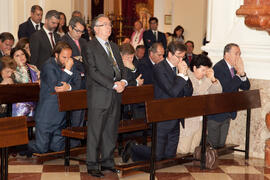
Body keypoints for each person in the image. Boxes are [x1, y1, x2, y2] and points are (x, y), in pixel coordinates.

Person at [122, 41, 193, 162]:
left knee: (170, 155)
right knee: (158, 155)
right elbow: (172, 92)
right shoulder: (160, 68)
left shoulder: (180, 68)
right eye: (179, 56)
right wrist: (181, 74)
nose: (181, 60)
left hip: (176, 114)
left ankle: (137, 152)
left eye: (183, 57)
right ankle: (133, 147)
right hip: (162, 115)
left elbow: (189, 91)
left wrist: (185, 74)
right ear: (169, 54)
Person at [82, 14, 127, 178]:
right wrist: (113, 84)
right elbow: (92, 72)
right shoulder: (89, 46)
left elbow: (121, 68)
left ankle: (108, 162)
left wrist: (123, 81)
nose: (109, 27)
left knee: (110, 131)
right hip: (99, 95)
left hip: (115, 95)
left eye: (109, 24)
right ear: (96, 29)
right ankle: (92, 164)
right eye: (105, 24)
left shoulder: (114, 46)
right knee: (95, 131)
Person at [28, 41, 81, 154]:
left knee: (57, 148)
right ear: (56, 55)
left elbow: (79, 84)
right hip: (46, 117)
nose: (67, 60)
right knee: (42, 149)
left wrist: (69, 87)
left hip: (61, 116)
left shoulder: (72, 65)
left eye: (69, 57)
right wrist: (67, 70)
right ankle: (20, 145)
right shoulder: (48, 66)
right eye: (64, 57)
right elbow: (57, 87)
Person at [207, 43, 250, 149]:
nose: (239, 57)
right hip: (217, 113)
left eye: (240, 54)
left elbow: (246, 86)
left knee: (221, 144)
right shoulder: (219, 68)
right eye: (236, 54)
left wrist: (242, 73)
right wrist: (238, 75)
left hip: (228, 112)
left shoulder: (235, 68)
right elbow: (225, 89)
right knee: (213, 145)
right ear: (227, 55)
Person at [177, 54, 222, 154]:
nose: (205, 73)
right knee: (183, 150)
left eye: (207, 70)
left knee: (194, 149)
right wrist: (208, 79)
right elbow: (197, 93)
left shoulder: (204, 80)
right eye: (203, 70)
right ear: (194, 68)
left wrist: (213, 79)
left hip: (199, 119)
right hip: (188, 119)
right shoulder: (188, 76)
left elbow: (218, 91)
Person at [61, 16, 87, 147]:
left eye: (82, 31)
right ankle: (72, 144)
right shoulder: (63, 40)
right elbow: (65, 60)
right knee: (74, 113)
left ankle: (77, 142)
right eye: (77, 31)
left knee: (81, 112)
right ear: (70, 28)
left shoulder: (83, 41)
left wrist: (82, 59)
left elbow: (87, 58)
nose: (80, 34)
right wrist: (78, 60)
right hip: (72, 80)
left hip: (84, 80)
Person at [10, 47, 40, 117]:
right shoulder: (12, 71)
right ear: (12, 59)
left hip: (34, 101)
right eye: (17, 55)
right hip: (20, 105)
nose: (21, 57)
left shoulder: (33, 68)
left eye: (22, 54)